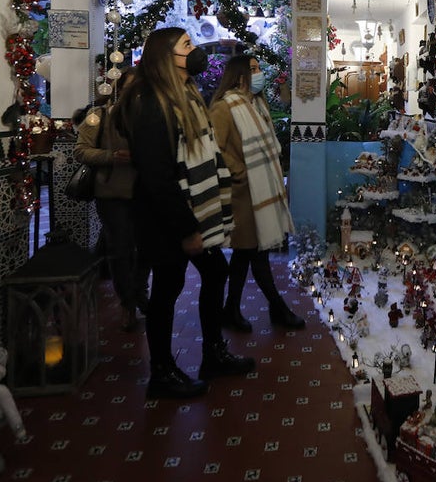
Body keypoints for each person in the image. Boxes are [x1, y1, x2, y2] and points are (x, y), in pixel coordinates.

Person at [116, 27, 255, 399]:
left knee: (214, 272)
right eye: (187, 45)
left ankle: (212, 355)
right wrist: (187, 230)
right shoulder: (151, 101)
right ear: (167, 57)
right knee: (166, 290)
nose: (196, 50)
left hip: (190, 211)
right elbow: (158, 175)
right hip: (166, 218)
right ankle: (161, 373)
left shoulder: (187, 94)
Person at [208, 54, 305, 332]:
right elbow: (215, 149)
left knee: (244, 254)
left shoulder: (256, 105)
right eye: (253, 69)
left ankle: (232, 309)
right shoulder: (224, 108)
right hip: (242, 195)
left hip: (258, 193)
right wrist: (239, 172)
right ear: (239, 76)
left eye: (258, 68)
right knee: (256, 253)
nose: (259, 73)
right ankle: (278, 308)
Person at [73, 68, 149, 332]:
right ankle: (128, 301)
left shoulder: (148, 115)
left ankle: (140, 293)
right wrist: (111, 156)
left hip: (144, 191)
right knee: (120, 249)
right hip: (112, 192)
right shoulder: (99, 115)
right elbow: (81, 150)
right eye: (131, 87)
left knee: (145, 249)